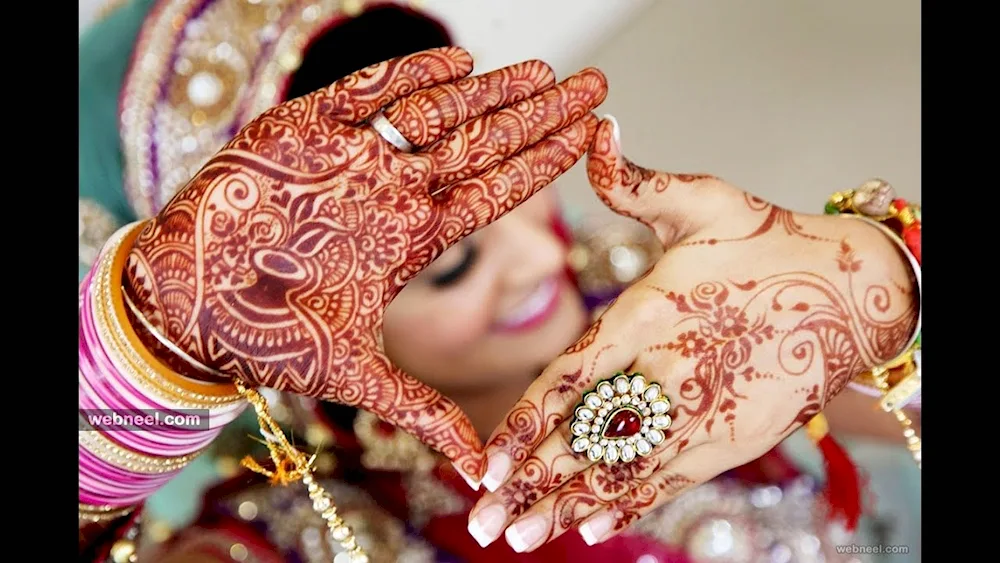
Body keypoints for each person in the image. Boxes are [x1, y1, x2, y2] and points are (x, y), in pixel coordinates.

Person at [79, 2, 921, 562]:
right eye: (450, 265)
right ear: (299, 332)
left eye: (519, 192)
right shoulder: (304, 535)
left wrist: (877, 278)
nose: (541, 258)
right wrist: (148, 355)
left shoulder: (654, 301)